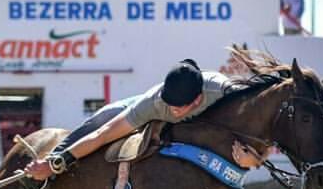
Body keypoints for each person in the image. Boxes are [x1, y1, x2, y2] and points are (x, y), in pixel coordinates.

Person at [25, 59, 235, 181]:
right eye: (169, 103)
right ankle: (50, 161)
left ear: (198, 99)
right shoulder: (155, 102)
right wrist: (54, 164)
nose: (173, 110)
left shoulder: (223, 91)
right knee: (101, 120)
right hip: (138, 105)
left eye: (179, 106)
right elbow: (102, 135)